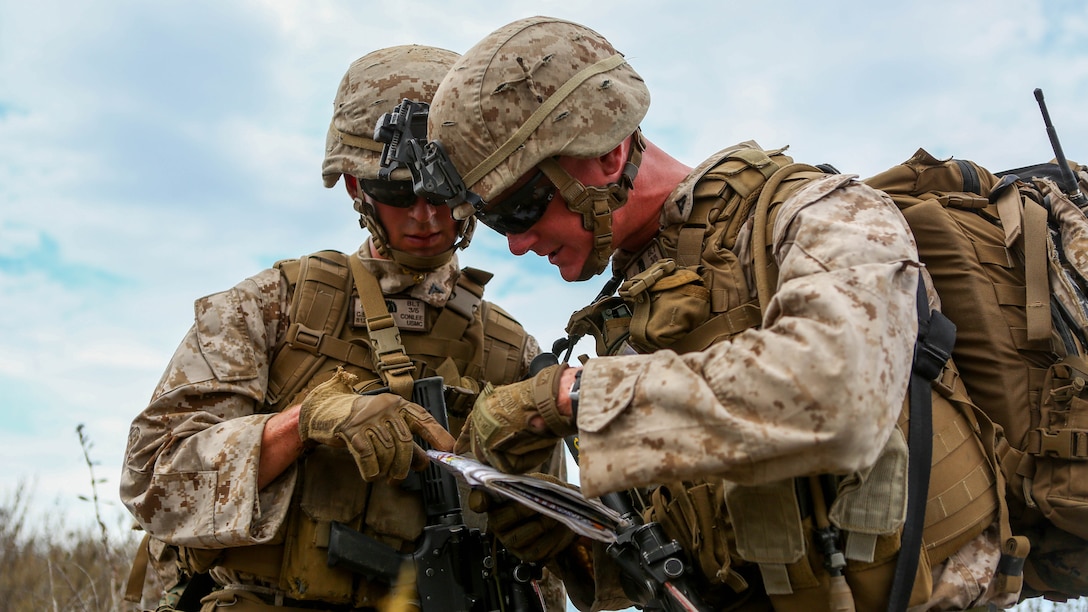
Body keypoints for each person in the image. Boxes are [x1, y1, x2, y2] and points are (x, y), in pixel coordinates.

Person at [408, 15, 1020, 612]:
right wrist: (565, 538)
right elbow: (684, 560)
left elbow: (842, 394)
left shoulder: (813, 215)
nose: (515, 243)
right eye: (490, 221)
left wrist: (570, 398)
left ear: (606, 157)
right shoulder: (628, 320)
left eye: (520, 209)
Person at [120, 44, 569, 612]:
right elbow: (152, 485)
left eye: (444, 191)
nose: (426, 217)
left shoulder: (512, 354)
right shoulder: (272, 307)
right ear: (357, 188)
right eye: (397, 193)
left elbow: (542, 561)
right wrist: (300, 425)